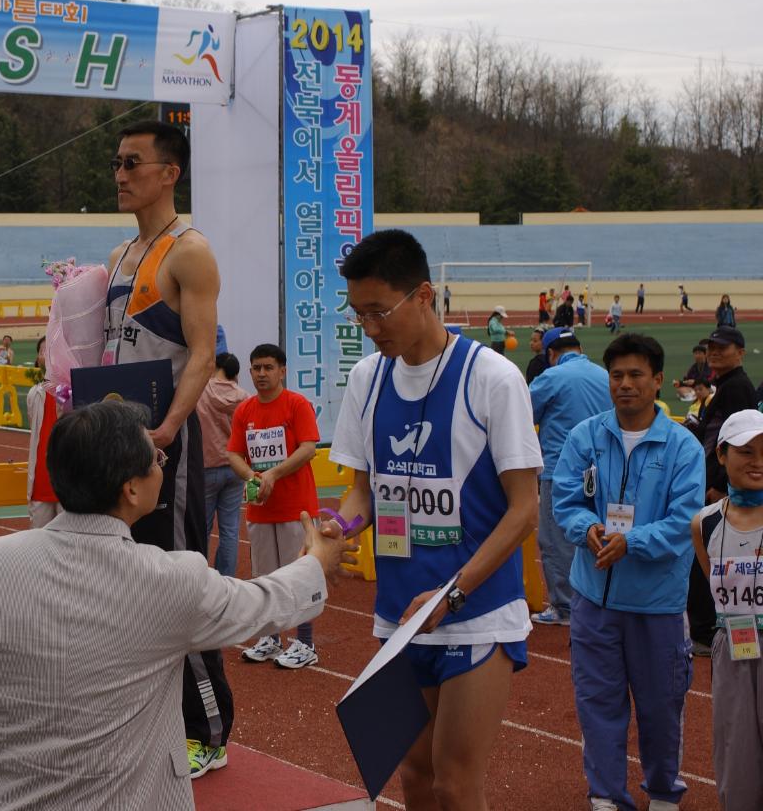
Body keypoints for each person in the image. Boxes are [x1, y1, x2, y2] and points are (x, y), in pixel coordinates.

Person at [0, 400, 358, 810]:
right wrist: (318, 563)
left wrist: (22, 746)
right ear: (131, 489)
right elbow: (264, 603)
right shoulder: (169, 579)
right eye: (156, 460)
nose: (161, 470)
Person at [327, 229, 541, 811]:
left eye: (379, 311)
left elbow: (524, 511)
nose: (370, 328)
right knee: (414, 779)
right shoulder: (366, 379)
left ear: (423, 295)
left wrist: (450, 596)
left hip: (476, 612)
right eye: (358, 314)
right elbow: (361, 498)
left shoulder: (493, 378)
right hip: (399, 618)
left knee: (455, 783)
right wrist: (335, 532)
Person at [102, 120, 232, 776]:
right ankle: (152, 722)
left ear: (169, 172)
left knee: (176, 580)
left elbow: (203, 353)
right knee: (127, 586)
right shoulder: (124, 253)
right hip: (120, 442)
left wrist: (169, 429)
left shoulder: (189, 251)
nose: (121, 174)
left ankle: (207, 731)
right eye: (117, 163)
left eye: (133, 162)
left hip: (166, 448)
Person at [552, 333, 703, 811]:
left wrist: (630, 542)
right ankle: (605, 796)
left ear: (658, 380)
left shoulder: (683, 446)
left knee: (661, 708)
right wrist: (587, 527)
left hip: (656, 605)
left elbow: (684, 521)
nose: (625, 384)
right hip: (593, 601)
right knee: (598, 707)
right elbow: (566, 500)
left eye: (636, 375)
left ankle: (662, 794)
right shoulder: (586, 436)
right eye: (616, 375)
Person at [227, 344, 321, 668]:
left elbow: (309, 448)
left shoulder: (297, 404)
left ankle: (306, 643)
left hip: (298, 508)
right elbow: (233, 454)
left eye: (268, 367)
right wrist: (253, 476)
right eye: (256, 368)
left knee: (300, 575)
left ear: (283, 370)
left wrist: (273, 473)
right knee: (264, 577)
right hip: (261, 509)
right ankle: (270, 637)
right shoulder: (244, 410)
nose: (262, 374)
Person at [689, 409, 763, 811]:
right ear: (722, 455)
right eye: (747, 451)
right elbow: (716, 585)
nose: (758, 461)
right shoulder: (705, 523)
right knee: (735, 754)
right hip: (733, 646)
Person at [528, 327, 612, 627]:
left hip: (561, 470)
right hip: (604, 471)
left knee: (554, 538)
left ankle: (564, 607)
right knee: (599, 532)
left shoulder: (551, 377)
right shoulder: (605, 376)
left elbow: (523, 415)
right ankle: (598, 598)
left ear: (551, 353)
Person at [689, 325, 758, 655]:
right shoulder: (726, 386)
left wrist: (719, 487)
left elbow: (737, 444)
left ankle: (705, 631)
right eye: (712, 348)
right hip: (715, 490)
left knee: (718, 562)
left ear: (740, 352)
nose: (715, 352)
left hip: (721, 492)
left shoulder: (737, 389)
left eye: (723, 347)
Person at [196, 352, 250, 578]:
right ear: (235, 374)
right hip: (235, 468)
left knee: (203, 529)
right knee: (230, 530)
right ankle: (226, 579)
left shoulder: (201, 391)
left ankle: (200, 579)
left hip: (206, 467)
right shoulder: (244, 397)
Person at [26, 336, 61, 526]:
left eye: (51, 350)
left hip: (67, 484)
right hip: (40, 483)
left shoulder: (69, 392)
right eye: (42, 352)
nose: (46, 356)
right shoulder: (34, 394)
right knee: (38, 543)